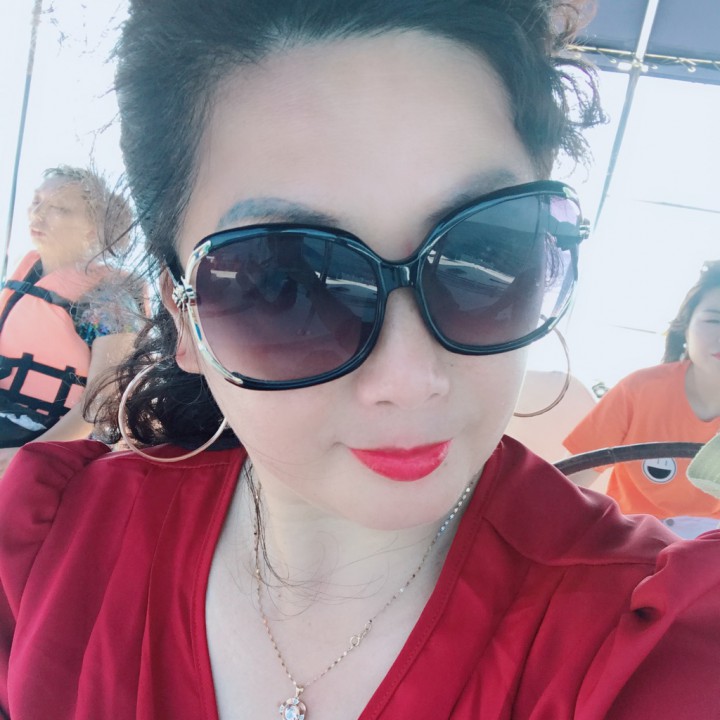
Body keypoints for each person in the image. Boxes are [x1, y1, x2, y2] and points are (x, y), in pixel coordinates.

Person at [0, 2, 719, 718]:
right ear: (183, 314)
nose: (411, 380)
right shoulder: (54, 543)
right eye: (283, 285)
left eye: (486, 252)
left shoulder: (649, 644)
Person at [0, 166, 141, 474]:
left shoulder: (108, 300)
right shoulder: (20, 279)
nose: (38, 214)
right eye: (36, 201)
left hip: (45, 443)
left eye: (59, 208)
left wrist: (25, 456)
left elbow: (102, 400)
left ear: (92, 229)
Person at [564, 261, 720, 537]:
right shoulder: (638, 390)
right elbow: (570, 482)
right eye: (714, 320)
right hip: (629, 540)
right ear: (685, 328)